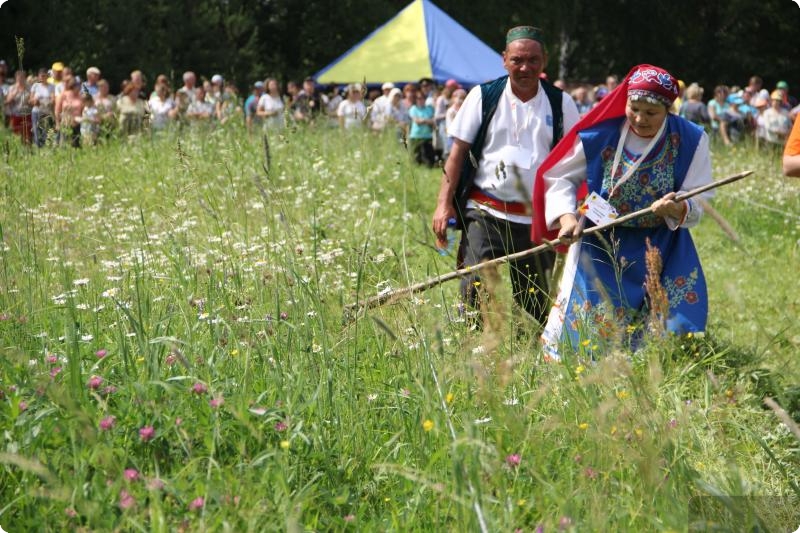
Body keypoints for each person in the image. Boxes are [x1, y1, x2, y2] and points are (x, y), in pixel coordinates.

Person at [534, 64, 713, 359]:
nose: (640, 119)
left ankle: (649, 372)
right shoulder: (601, 135)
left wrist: (677, 206)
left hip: (660, 244)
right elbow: (560, 177)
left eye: (651, 113)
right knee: (587, 324)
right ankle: (578, 371)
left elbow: (700, 197)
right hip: (599, 241)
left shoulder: (691, 139)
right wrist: (566, 218)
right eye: (634, 109)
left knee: (664, 330)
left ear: (669, 110)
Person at [431, 26, 579, 325]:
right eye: (517, 60)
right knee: (473, 288)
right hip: (485, 212)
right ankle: (473, 346)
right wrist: (443, 204)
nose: (525, 67)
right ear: (504, 60)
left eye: (533, 60)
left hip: (537, 219)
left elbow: (573, 163)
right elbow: (457, 153)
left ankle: (530, 349)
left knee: (534, 303)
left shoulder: (561, 103)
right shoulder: (483, 96)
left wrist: (569, 213)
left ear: (545, 60)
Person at [408, 90, 435, 166]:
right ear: (416, 99)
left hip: (427, 136)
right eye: (418, 98)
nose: (421, 100)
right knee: (416, 157)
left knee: (429, 158)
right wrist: (427, 120)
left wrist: (423, 120)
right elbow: (417, 121)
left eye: (422, 98)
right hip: (416, 136)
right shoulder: (413, 109)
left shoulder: (429, 109)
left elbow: (433, 121)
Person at [5, 70, 32, 144]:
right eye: (19, 78)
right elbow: (7, 101)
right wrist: (15, 93)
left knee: (27, 136)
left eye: (22, 77)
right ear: (16, 78)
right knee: (16, 136)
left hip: (27, 114)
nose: (20, 79)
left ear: (25, 78)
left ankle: (27, 149)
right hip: (15, 115)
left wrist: (30, 100)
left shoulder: (29, 88)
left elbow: (31, 101)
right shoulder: (12, 88)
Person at [29, 68, 55, 147]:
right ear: (38, 76)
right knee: (36, 132)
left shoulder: (51, 86)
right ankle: (37, 148)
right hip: (36, 111)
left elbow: (53, 99)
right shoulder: (35, 86)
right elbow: (30, 100)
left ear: (47, 76)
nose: (43, 78)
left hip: (46, 113)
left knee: (46, 133)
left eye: (44, 76)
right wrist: (35, 101)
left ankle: (45, 149)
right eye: (41, 76)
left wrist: (46, 102)